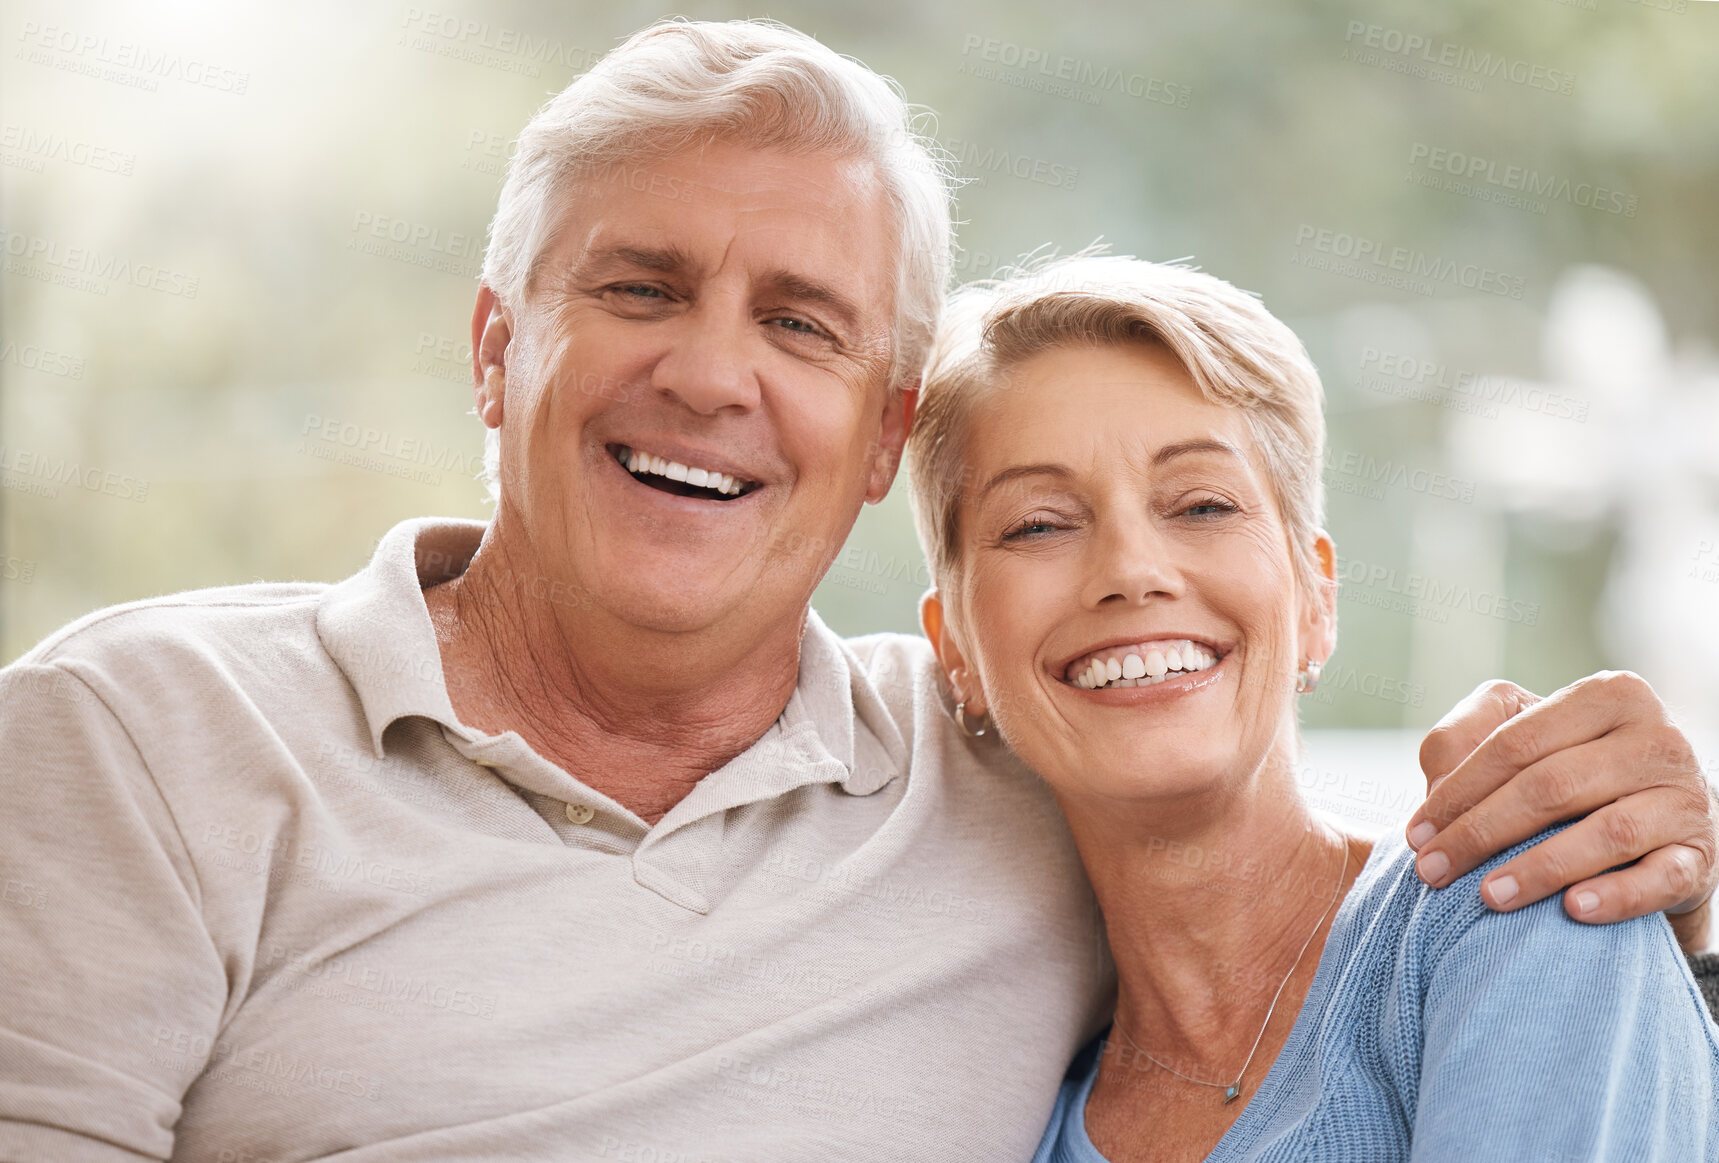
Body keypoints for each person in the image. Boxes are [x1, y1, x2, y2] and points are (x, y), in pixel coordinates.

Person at [0, 18, 1714, 1163]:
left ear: (877, 427)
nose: (710, 372)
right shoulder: (135, 742)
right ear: (494, 341)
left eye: (802, 322)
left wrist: (1662, 891)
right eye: (642, 287)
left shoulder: (1002, 769)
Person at [904, 254, 1719, 1162]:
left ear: (1314, 599)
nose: (1131, 569)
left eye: (1202, 504)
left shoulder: (1514, 899)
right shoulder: (1004, 1120)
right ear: (958, 653)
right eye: (1039, 524)